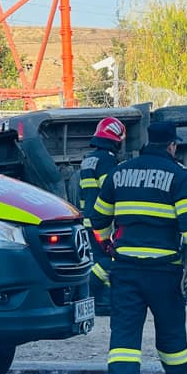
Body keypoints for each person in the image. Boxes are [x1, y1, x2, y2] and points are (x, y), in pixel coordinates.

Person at [91, 121, 187, 374]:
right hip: (164, 272)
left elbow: (99, 217)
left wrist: (107, 246)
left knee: (124, 336)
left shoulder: (120, 172)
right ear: (172, 146)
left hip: (126, 270)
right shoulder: (178, 177)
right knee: (171, 333)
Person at [78, 117, 127, 316]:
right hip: (102, 220)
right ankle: (91, 292)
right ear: (116, 140)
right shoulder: (107, 160)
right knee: (108, 259)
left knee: (99, 259)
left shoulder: (89, 159)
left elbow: (84, 194)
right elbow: (111, 190)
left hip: (88, 218)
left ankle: (104, 300)